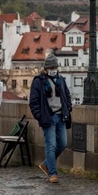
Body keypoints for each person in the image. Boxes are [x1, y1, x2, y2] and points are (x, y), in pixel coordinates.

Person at [29, 53, 72, 183]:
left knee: (63, 143)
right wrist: (40, 117)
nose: (54, 70)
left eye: (55, 67)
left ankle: (46, 164)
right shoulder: (38, 81)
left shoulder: (61, 79)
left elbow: (67, 95)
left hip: (61, 116)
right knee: (51, 145)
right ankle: (52, 174)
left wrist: (68, 107)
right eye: (51, 67)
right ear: (46, 68)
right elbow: (34, 102)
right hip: (48, 118)